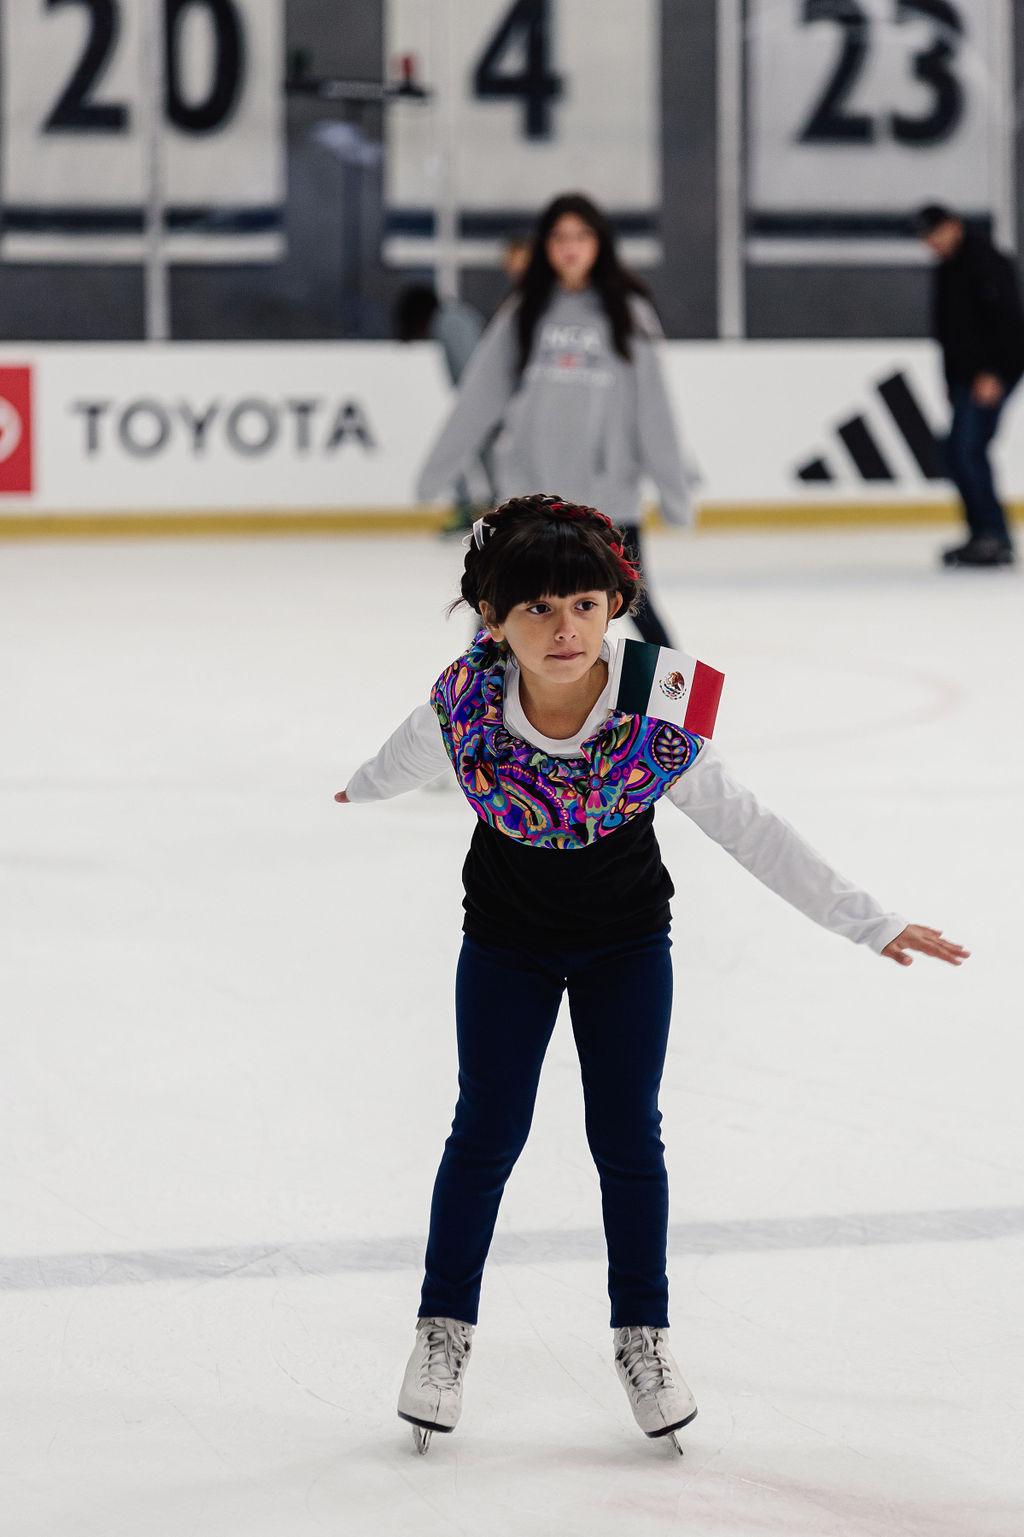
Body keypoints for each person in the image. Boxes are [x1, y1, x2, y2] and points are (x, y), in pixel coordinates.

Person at [334, 494, 969, 1454]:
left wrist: (868, 921)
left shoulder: (656, 705)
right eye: (539, 609)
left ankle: (645, 1334)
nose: (565, 629)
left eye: (585, 605)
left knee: (627, 1135)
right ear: (495, 621)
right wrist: (355, 786)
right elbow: (403, 756)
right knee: (486, 1131)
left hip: (626, 943)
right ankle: (442, 1333)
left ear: (613, 606)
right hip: (505, 940)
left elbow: (747, 824)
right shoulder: (464, 699)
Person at [416, 192, 699, 647]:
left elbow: (654, 409)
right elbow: (478, 397)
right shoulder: (525, 312)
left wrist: (674, 489)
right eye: (559, 236)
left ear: (599, 244)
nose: (571, 247)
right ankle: (475, 708)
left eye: (582, 236)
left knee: (637, 607)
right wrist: (438, 470)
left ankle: (675, 707)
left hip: (609, 497)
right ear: (545, 246)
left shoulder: (629, 313)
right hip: (530, 497)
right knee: (498, 607)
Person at [914, 204, 1024, 568]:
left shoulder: (986, 263)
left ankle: (993, 535)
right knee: (959, 453)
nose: (931, 244)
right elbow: (951, 332)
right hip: (967, 378)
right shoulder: (950, 268)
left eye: (934, 235)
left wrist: (994, 371)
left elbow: (1009, 323)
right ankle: (983, 533)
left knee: (966, 451)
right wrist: (951, 381)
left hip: (990, 375)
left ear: (953, 226)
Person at [394, 283, 491, 534]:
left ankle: (479, 506)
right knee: (473, 454)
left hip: (480, 402)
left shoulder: (450, 322)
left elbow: (471, 365)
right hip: (478, 401)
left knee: (465, 451)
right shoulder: (452, 319)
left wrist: (473, 406)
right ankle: (478, 506)